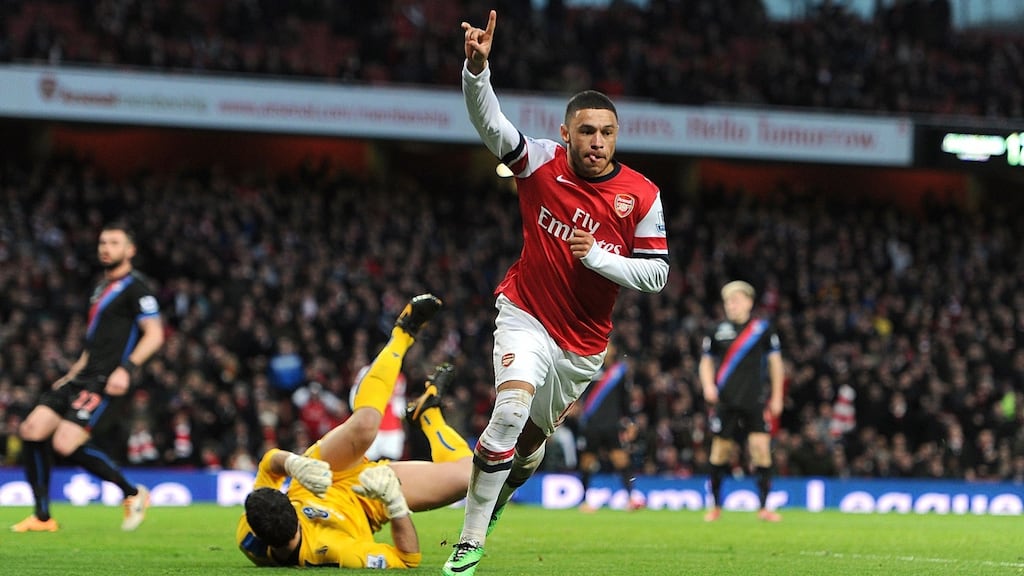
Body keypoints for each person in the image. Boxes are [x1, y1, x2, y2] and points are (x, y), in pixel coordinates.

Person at [445, 10, 670, 575]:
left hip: (582, 344)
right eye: (587, 131)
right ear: (566, 132)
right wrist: (477, 71)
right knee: (508, 412)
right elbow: (492, 125)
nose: (597, 142)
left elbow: (657, 275)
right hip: (525, 311)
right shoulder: (540, 161)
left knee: (527, 448)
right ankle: (469, 541)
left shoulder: (642, 195)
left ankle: (501, 494)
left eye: (607, 132)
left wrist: (596, 256)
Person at [236, 294, 476, 569]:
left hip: (323, 470)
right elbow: (407, 559)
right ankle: (428, 414)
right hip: (369, 499)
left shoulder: (252, 526)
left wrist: (294, 464)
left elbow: (269, 464)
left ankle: (403, 333)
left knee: (365, 426)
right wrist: (395, 504)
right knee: (469, 477)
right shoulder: (336, 551)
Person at [13, 221, 165, 532]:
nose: (106, 248)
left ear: (130, 250)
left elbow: (155, 334)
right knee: (32, 429)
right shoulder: (100, 289)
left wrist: (127, 369)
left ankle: (133, 492)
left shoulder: (137, 288)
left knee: (64, 442)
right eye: (102, 243)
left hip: (106, 379)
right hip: (82, 376)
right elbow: (93, 343)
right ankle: (42, 518)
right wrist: (71, 374)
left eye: (114, 243)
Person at [699, 281, 785, 522]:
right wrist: (708, 385)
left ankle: (764, 507)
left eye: (735, 300)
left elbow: (776, 363)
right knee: (720, 452)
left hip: (754, 399)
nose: (731, 305)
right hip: (726, 400)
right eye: (727, 301)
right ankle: (715, 507)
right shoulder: (716, 329)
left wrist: (777, 396)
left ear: (749, 302)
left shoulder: (763, 329)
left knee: (761, 450)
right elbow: (706, 361)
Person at [574, 341, 642, 512]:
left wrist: (631, 422)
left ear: (614, 349)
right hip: (592, 425)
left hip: (612, 425)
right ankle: (583, 500)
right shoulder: (589, 368)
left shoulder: (619, 372)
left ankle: (631, 498)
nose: (607, 348)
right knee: (587, 462)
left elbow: (625, 400)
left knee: (621, 460)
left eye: (610, 345)